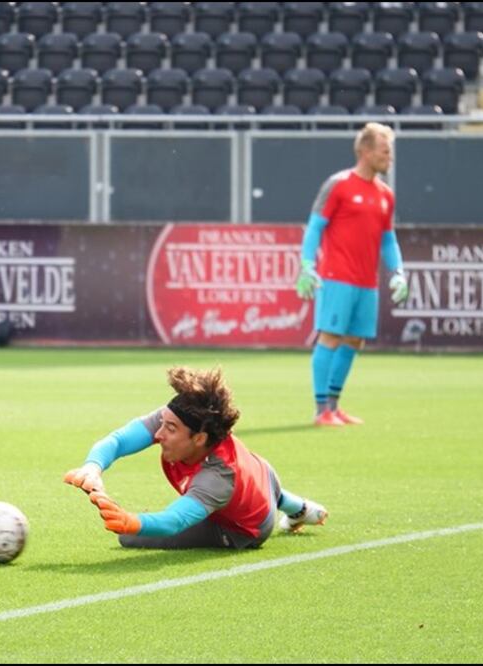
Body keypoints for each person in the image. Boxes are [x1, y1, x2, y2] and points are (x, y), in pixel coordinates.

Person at [63, 367, 328, 550]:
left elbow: (173, 521)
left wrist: (132, 522)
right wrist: (93, 467)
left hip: (245, 528)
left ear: (199, 439)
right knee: (263, 491)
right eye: (162, 422)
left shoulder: (218, 477)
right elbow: (118, 441)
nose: (158, 432)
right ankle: (301, 509)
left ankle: (295, 508)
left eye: (170, 429)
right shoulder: (178, 417)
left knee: (129, 539)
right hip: (263, 475)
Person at [295, 123, 408, 427]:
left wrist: (398, 271)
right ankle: (321, 410)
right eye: (385, 151)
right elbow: (315, 227)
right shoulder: (338, 185)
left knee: (355, 341)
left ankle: (334, 405)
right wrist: (306, 265)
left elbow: (388, 239)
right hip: (336, 277)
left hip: (366, 283)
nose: (390, 158)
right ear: (365, 151)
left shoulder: (386, 194)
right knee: (330, 336)